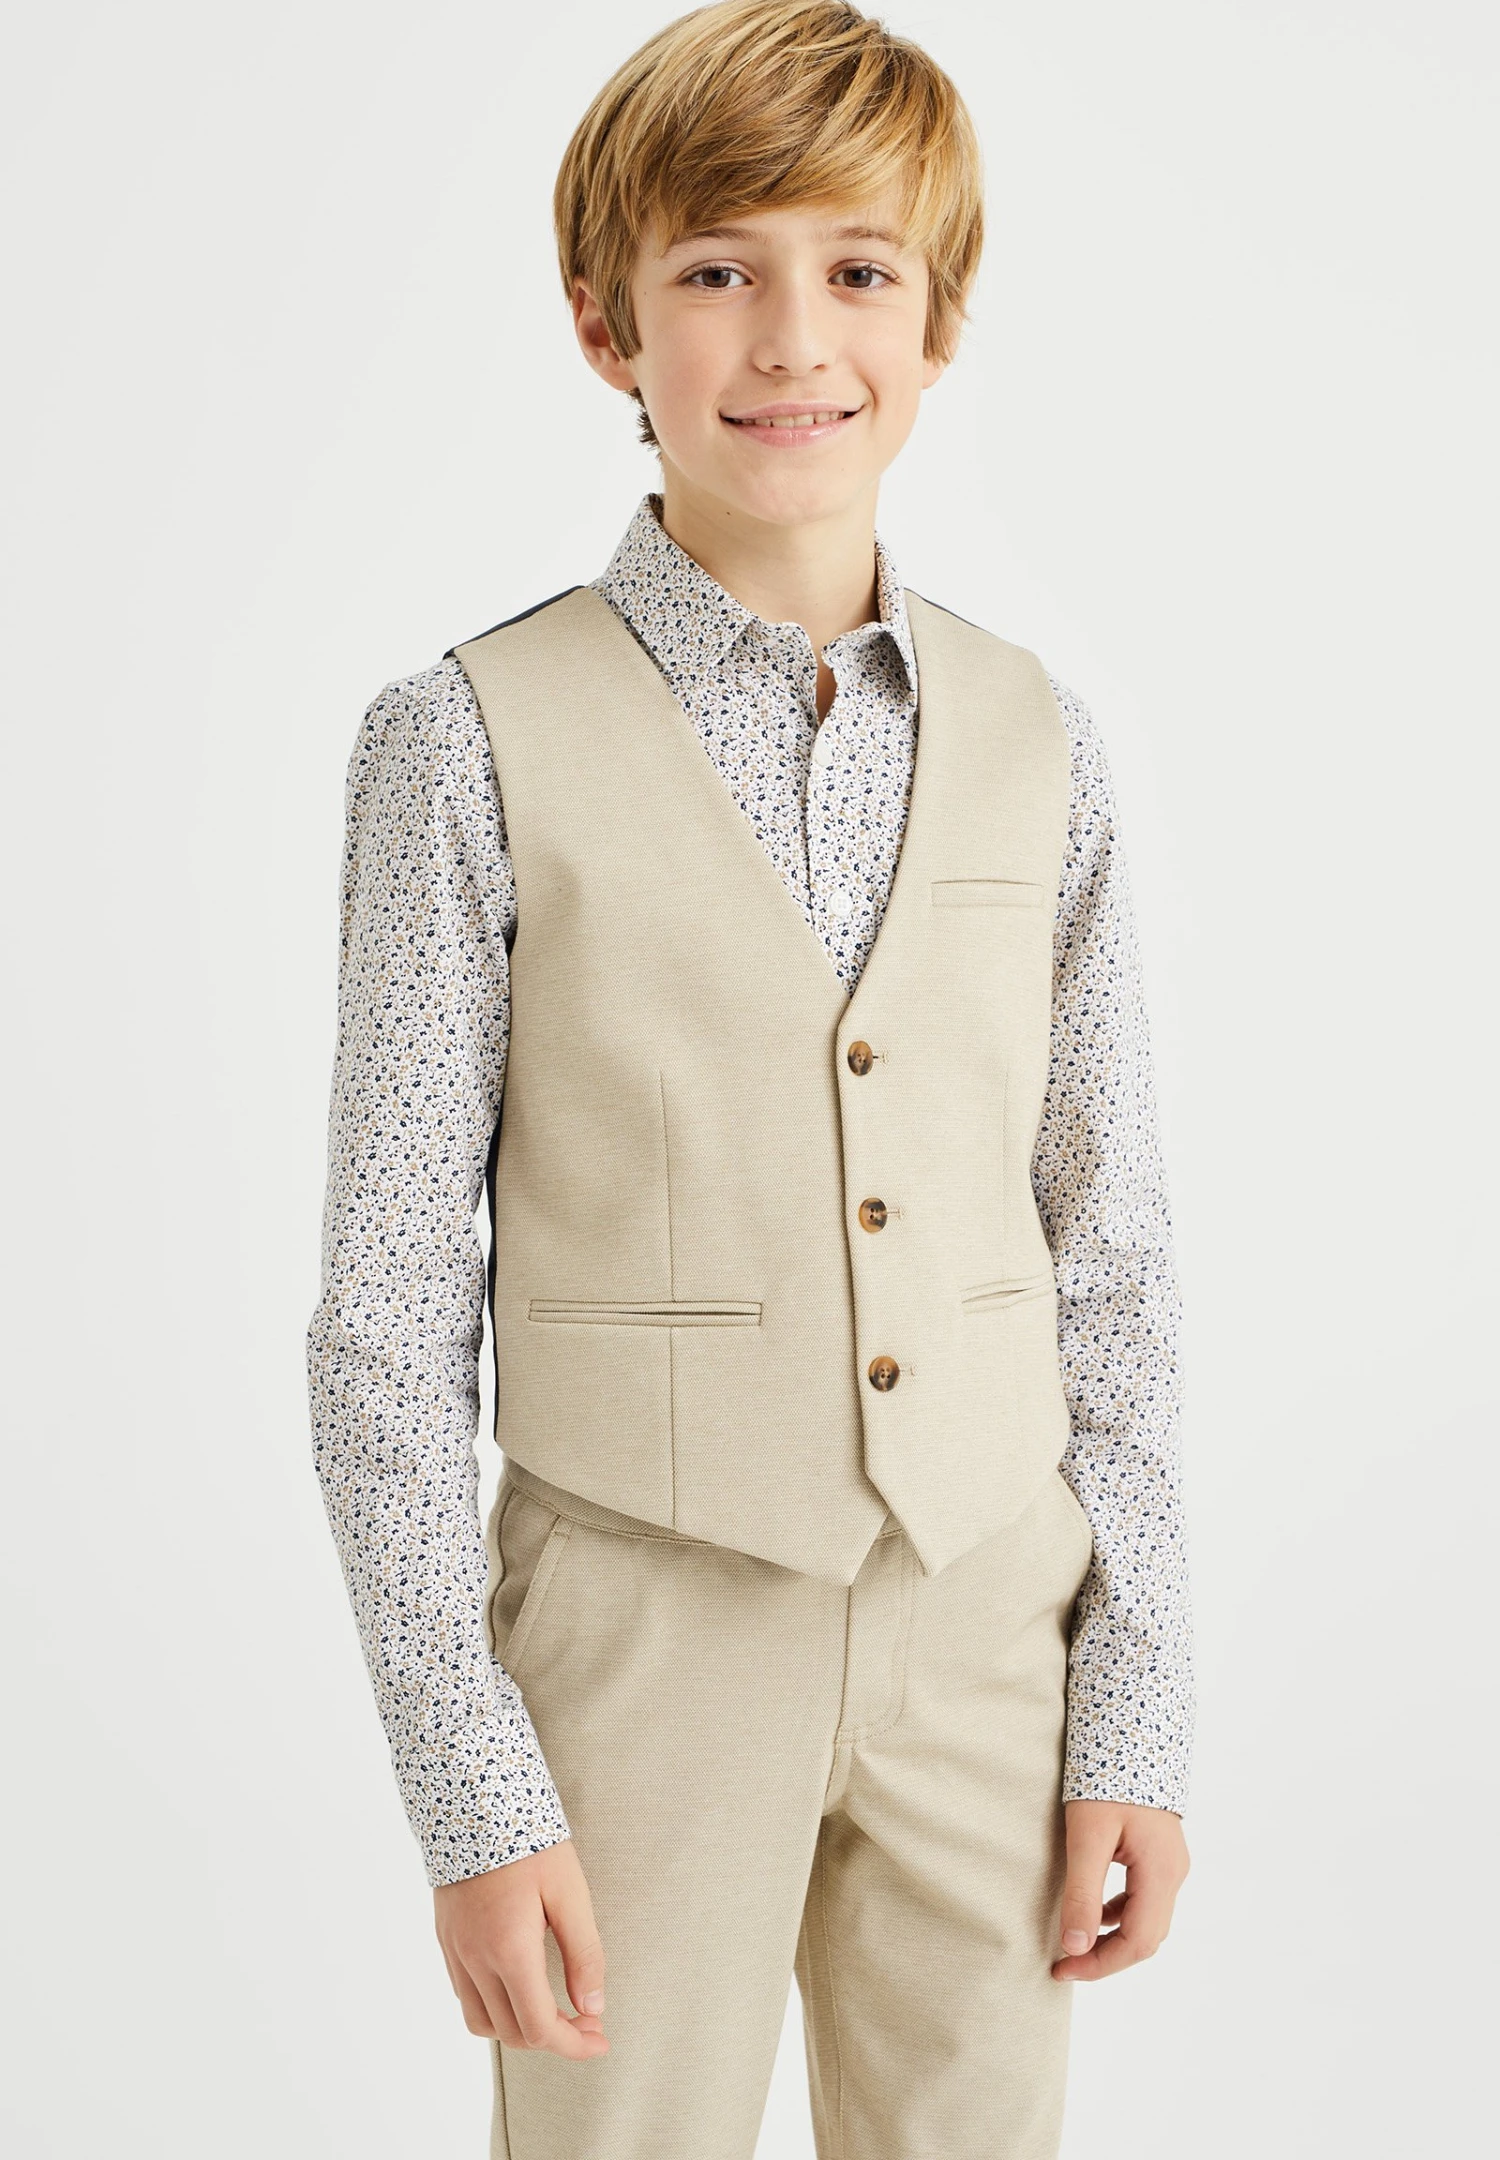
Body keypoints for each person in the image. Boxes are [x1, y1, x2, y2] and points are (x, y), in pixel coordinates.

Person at [305, 3, 1195, 2153]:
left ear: (939, 319)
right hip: (638, 1631)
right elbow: (384, 1321)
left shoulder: (1040, 739)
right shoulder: (463, 741)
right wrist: (472, 1791)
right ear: (605, 322)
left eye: (858, 269)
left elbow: (1113, 1259)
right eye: (716, 269)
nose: (794, 337)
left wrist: (1136, 1714)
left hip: (991, 1617)